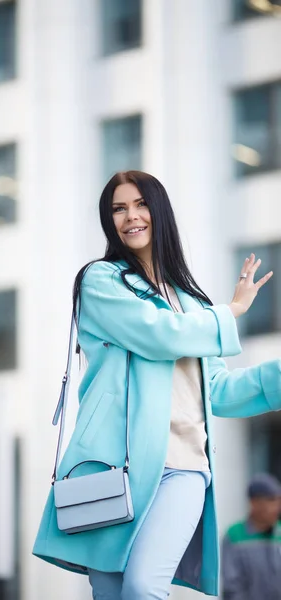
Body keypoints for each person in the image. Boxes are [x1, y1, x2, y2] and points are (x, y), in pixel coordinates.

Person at [32, 171, 281, 599]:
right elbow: (159, 335)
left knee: (144, 587)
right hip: (112, 469)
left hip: (182, 466)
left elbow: (216, 389)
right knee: (110, 591)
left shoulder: (192, 302)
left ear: (158, 211)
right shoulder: (101, 281)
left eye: (140, 204)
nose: (131, 216)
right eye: (118, 208)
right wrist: (232, 310)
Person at [222, 472, 281, 600]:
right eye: (271, 501)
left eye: (278, 501)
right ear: (254, 503)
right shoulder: (235, 535)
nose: (277, 508)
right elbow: (231, 587)